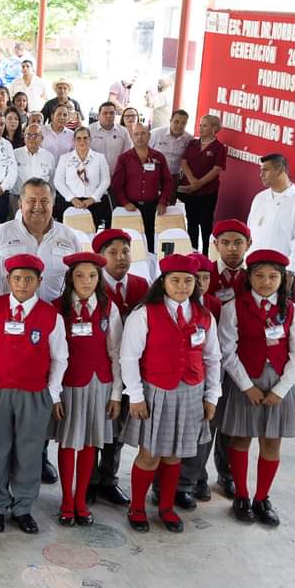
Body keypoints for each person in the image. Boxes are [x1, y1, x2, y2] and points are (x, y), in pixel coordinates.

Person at [121, 254, 222, 534]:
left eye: (188, 281)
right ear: (163, 282)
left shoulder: (204, 315)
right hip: (156, 391)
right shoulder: (144, 313)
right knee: (150, 454)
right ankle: (137, 507)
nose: (181, 286)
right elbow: (129, 357)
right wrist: (136, 396)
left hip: (191, 392)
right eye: (175, 280)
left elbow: (213, 358)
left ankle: (166, 507)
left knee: (175, 455)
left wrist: (211, 396)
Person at [0, 254, 68, 535]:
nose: (22, 284)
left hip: (35, 394)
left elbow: (60, 358)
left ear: (39, 282)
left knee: (29, 453)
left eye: (29, 279)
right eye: (16, 278)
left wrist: (51, 394)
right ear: (8, 280)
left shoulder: (51, 315)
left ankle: (23, 507)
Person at [218, 250, 295, 527]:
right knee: (241, 438)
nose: (266, 282)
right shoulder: (234, 307)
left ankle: (261, 498)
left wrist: (281, 389)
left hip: (279, 383)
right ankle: (241, 496)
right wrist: (246, 386)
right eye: (259, 276)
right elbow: (227, 350)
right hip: (245, 382)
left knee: (271, 441)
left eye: (273, 276)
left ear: (283, 279)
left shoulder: (292, 310)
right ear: (249, 277)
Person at [53, 252, 122, 527]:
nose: (86, 281)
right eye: (80, 275)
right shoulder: (58, 308)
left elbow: (116, 352)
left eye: (92, 276)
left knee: (90, 441)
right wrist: (54, 393)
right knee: (69, 441)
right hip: (69, 382)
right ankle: (66, 499)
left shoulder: (108, 307)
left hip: (100, 383)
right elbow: (53, 354)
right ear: (71, 278)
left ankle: (80, 500)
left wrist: (116, 393)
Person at [85, 228, 146, 507]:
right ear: (100, 257)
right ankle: (88, 480)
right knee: (94, 426)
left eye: (125, 252)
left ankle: (108, 478)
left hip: (131, 370)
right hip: (100, 369)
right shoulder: (91, 284)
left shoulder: (142, 285)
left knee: (117, 429)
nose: (121, 257)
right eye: (113, 253)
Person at [0, 178, 82, 304]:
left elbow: (78, 279)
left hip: (57, 312)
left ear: (53, 203)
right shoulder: (1, 233)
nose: (38, 206)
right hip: (13, 313)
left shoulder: (69, 236)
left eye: (44, 201)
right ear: (20, 204)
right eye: (31, 201)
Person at [247, 153, 295, 288]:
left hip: (279, 273)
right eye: (261, 170)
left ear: (280, 170)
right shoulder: (259, 198)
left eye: (265, 170)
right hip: (252, 267)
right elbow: (249, 232)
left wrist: (291, 272)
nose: (261, 174)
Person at [110, 124, 173, 252]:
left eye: (143, 133)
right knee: (130, 240)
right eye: (136, 134)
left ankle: (150, 261)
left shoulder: (158, 157)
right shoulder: (124, 158)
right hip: (130, 207)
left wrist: (162, 201)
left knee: (151, 239)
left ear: (149, 136)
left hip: (152, 207)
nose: (139, 137)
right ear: (132, 137)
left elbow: (167, 182)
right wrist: (125, 203)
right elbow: (116, 185)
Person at [178, 114, 227, 254]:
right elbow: (184, 162)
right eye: (200, 125)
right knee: (191, 222)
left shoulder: (219, 148)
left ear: (214, 128)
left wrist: (199, 183)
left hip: (207, 192)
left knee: (205, 224)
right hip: (190, 190)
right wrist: (192, 180)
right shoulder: (193, 143)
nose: (201, 128)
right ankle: (192, 252)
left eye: (205, 126)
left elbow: (217, 169)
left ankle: (206, 254)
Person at [54, 127, 112, 228]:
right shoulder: (65, 158)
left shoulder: (99, 158)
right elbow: (58, 181)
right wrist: (72, 199)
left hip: (93, 204)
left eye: (85, 138)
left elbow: (105, 181)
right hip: (70, 202)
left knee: (92, 233)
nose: (82, 141)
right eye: (79, 138)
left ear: (90, 139)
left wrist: (93, 199)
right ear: (73, 140)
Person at [13, 124, 55, 208]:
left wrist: (51, 200)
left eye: (35, 135)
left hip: (41, 200)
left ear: (42, 138)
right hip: (18, 199)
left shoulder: (49, 156)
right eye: (28, 135)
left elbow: (52, 181)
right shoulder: (15, 154)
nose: (32, 138)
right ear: (24, 137)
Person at [88, 102, 129, 176]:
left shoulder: (123, 131)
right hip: (95, 175)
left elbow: (127, 154)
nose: (108, 116)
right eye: (105, 113)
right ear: (98, 115)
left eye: (112, 113)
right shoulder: (89, 130)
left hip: (116, 175)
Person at [150, 109, 191, 183]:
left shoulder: (189, 139)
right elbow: (144, 151)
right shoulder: (156, 133)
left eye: (183, 123)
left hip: (174, 176)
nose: (179, 126)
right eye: (176, 122)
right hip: (155, 174)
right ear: (170, 121)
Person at [40, 104, 75, 168]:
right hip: (44, 170)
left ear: (68, 118)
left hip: (64, 171)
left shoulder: (72, 135)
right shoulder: (41, 131)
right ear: (52, 116)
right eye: (59, 114)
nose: (62, 117)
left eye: (65, 115)